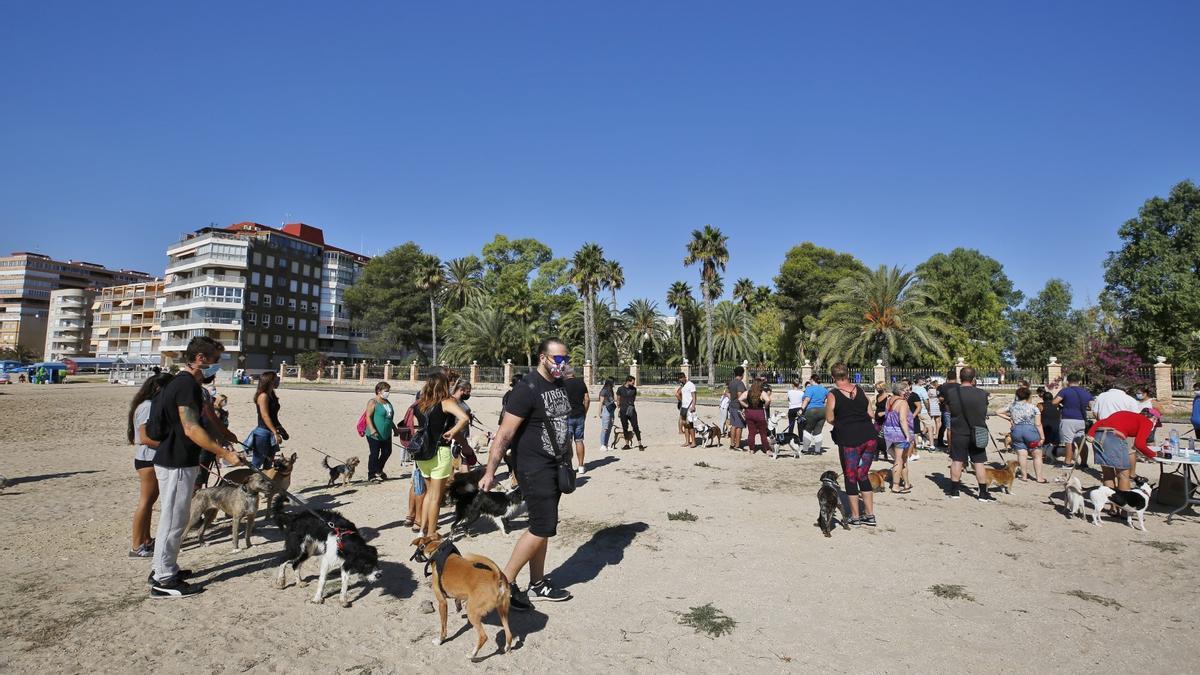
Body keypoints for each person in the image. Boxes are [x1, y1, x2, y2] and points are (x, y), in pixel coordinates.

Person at [480, 338, 575, 611]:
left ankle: (537, 583)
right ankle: (503, 585)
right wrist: (489, 471)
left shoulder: (558, 384)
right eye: (558, 359)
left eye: (566, 359)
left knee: (541, 527)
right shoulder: (526, 389)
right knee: (541, 527)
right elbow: (504, 435)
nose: (563, 364)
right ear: (542, 358)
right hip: (534, 469)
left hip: (555, 465)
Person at [150, 336, 246, 598]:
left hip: (177, 460)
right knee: (174, 520)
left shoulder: (182, 384)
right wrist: (225, 454)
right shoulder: (185, 386)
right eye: (215, 360)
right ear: (201, 359)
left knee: (175, 518)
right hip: (176, 461)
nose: (217, 366)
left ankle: (164, 567)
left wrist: (224, 437)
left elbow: (204, 420)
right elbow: (191, 428)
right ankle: (163, 580)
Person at [413, 371, 470, 537]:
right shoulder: (446, 402)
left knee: (428, 493)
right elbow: (464, 418)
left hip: (422, 452)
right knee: (436, 498)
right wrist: (453, 431)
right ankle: (431, 533)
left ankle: (422, 531)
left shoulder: (420, 403)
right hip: (440, 452)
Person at [824, 363, 878, 526]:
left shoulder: (833, 394)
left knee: (851, 476)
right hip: (869, 436)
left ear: (833, 378)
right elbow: (871, 413)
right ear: (848, 374)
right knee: (863, 474)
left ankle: (855, 516)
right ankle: (869, 514)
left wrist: (844, 422)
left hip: (849, 439)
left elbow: (829, 418)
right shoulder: (860, 390)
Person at [128, 373, 173, 558]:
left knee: (150, 502)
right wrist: (170, 446)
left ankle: (146, 540)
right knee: (145, 502)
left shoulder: (149, 405)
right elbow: (145, 438)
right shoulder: (147, 407)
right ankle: (136, 545)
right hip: (147, 458)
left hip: (152, 457)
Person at [943, 366, 996, 502]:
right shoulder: (982, 393)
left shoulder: (952, 393)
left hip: (958, 430)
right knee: (979, 462)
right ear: (973, 378)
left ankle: (955, 491)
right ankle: (983, 493)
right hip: (977, 430)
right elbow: (983, 410)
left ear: (960, 378)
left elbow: (948, 410)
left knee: (957, 460)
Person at [1087, 410, 1156, 493]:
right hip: (1114, 437)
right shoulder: (1147, 422)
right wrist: (1153, 455)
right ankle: (1123, 503)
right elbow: (1139, 444)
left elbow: (1101, 421)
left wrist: (1090, 434)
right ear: (1153, 418)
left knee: (1108, 474)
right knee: (1123, 475)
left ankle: (1112, 503)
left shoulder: (1127, 415)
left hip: (1099, 436)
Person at [999, 386, 1046, 483]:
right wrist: (1042, 437)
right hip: (1030, 430)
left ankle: (1024, 476)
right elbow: (1038, 424)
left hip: (1016, 430)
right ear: (1029, 396)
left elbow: (997, 411)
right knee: (1037, 454)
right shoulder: (1033, 408)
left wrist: (1009, 418)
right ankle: (1039, 477)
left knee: (1021, 454)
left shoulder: (1012, 406)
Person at [1053, 373, 1094, 466]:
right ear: (1079, 381)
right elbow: (1092, 405)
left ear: (1068, 381)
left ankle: (1068, 462)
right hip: (1081, 420)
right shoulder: (1086, 392)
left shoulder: (1065, 391)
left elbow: (1054, 402)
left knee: (1069, 442)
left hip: (1068, 419)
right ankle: (1084, 463)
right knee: (1081, 441)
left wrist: (1060, 405)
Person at [246, 371, 285, 470]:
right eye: (276, 379)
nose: (278, 381)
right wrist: (275, 432)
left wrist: (280, 427)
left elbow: (274, 416)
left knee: (269, 463)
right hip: (263, 433)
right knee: (257, 462)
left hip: (271, 431)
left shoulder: (272, 394)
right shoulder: (263, 396)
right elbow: (265, 416)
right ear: (270, 381)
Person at [881, 383, 915, 491]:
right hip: (899, 434)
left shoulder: (889, 400)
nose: (908, 392)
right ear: (900, 391)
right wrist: (908, 435)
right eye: (906, 390)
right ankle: (895, 485)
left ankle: (906, 483)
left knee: (902, 459)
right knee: (899, 460)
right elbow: (902, 420)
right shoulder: (902, 402)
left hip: (889, 433)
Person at [363, 381, 399, 482]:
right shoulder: (373, 402)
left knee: (387, 452)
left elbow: (389, 418)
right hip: (374, 434)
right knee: (374, 454)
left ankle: (378, 469)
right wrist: (372, 429)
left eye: (388, 391)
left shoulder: (388, 403)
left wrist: (394, 428)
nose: (388, 393)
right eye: (386, 391)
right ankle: (371, 475)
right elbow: (368, 417)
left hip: (386, 434)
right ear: (379, 391)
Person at [563, 368, 590, 473]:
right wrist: (585, 412)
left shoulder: (562, 384)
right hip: (580, 414)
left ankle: (569, 466)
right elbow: (587, 399)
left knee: (567, 442)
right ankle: (581, 466)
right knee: (579, 440)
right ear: (573, 373)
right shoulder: (581, 382)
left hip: (567, 415)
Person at [739, 379, 772, 454]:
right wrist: (765, 407)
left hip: (749, 412)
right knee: (763, 432)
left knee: (751, 432)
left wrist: (746, 406)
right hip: (759, 412)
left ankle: (751, 449)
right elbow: (768, 400)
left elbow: (740, 399)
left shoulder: (748, 392)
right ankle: (767, 449)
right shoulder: (762, 393)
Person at [800, 378, 828, 455]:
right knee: (818, 431)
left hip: (811, 410)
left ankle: (805, 449)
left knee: (807, 430)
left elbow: (807, 400)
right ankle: (817, 450)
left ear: (813, 380)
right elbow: (828, 397)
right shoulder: (824, 389)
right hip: (823, 410)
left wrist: (801, 409)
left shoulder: (809, 389)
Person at [615, 376, 644, 450]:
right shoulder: (620, 389)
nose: (633, 384)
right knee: (625, 427)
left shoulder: (634, 389)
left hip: (631, 410)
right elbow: (618, 399)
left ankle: (640, 444)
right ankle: (627, 444)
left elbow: (633, 398)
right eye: (632, 382)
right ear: (628, 381)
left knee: (635, 426)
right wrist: (619, 408)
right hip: (623, 410)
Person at [1037, 388, 1062, 464]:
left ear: (1043, 398)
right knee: (1054, 443)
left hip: (1045, 427)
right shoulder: (1057, 406)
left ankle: (1045, 456)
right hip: (1056, 427)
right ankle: (1052, 455)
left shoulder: (1040, 405)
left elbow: (1036, 415)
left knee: (1044, 442)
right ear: (1051, 398)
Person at [935, 370, 959, 448]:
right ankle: (955, 444)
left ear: (947, 377)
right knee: (956, 428)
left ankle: (948, 446)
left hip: (945, 409)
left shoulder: (942, 387)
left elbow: (940, 398)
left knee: (947, 427)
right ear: (956, 377)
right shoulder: (960, 386)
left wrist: (946, 399)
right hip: (958, 409)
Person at [726, 366, 748, 450]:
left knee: (733, 425)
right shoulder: (740, 383)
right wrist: (743, 406)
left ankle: (732, 444)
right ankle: (737, 445)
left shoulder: (732, 382)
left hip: (732, 406)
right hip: (738, 407)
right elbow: (740, 394)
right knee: (739, 426)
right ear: (742, 374)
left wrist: (732, 399)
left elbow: (727, 392)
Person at [678, 371, 698, 448]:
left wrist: (693, 405)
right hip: (683, 407)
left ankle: (693, 442)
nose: (680, 380)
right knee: (685, 425)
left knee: (690, 425)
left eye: (681, 379)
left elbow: (694, 396)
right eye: (679, 379)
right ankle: (687, 441)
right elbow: (678, 394)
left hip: (689, 407)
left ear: (684, 377)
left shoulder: (691, 385)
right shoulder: (683, 386)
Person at [597, 377, 616, 450]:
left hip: (611, 410)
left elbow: (613, 399)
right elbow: (601, 402)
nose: (614, 383)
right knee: (605, 428)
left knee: (610, 428)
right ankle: (602, 445)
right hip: (605, 409)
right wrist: (599, 412)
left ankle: (606, 444)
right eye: (613, 382)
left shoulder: (611, 390)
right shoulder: (604, 390)